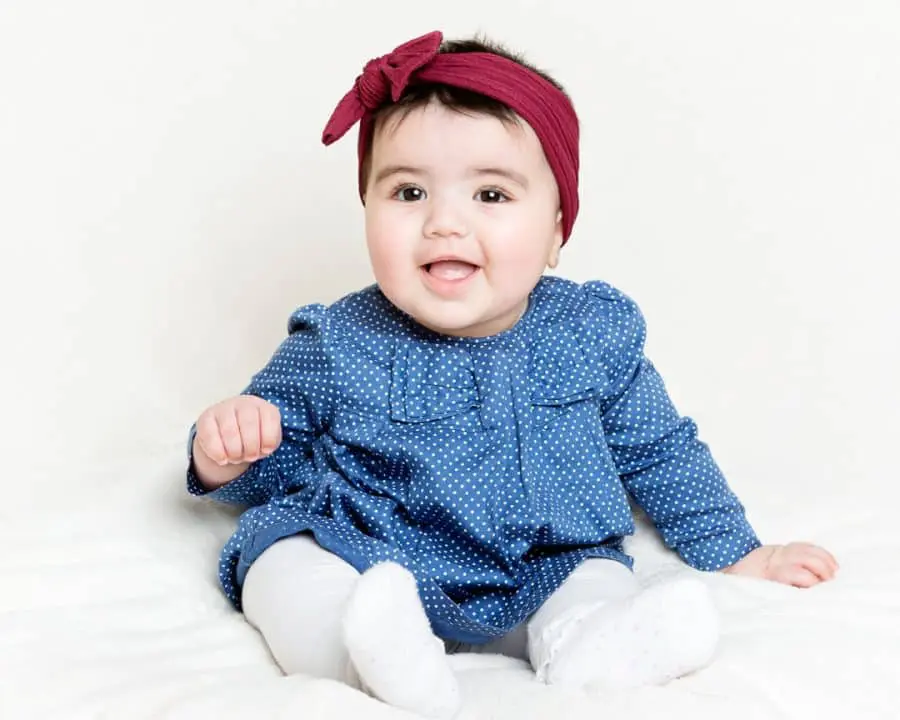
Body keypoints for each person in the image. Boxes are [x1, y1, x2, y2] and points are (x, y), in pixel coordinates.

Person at [186, 30, 839, 719]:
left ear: (557, 231)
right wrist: (229, 447)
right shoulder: (339, 339)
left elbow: (659, 451)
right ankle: (361, 652)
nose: (444, 223)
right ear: (368, 211)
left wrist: (739, 553)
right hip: (368, 552)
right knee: (279, 562)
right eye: (408, 191)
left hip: (535, 563)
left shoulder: (589, 333)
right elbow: (274, 454)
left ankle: (590, 645)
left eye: (491, 196)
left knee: (593, 576)